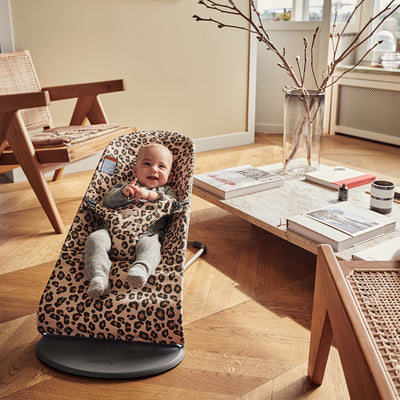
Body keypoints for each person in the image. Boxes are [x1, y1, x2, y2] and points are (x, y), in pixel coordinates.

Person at [85, 143, 176, 297]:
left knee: (152, 247)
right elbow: (107, 202)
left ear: (170, 176)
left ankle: (140, 269)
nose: (154, 169)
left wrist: (151, 195)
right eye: (147, 164)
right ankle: (99, 277)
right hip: (112, 233)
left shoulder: (165, 191)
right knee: (94, 239)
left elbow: (172, 206)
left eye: (161, 166)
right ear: (135, 170)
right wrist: (122, 193)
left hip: (146, 235)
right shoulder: (125, 186)